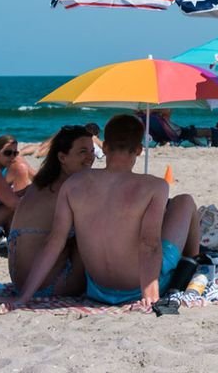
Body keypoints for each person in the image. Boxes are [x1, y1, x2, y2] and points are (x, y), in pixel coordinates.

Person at [11, 114, 201, 308]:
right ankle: (194, 264)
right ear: (138, 150)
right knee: (184, 202)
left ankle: (192, 264)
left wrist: (25, 296)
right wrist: (149, 295)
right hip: (138, 286)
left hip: (98, 289)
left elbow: (54, 242)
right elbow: (149, 244)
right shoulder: (155, 186)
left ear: (105, 147)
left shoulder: (73, 184)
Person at [8, 125, 96, 298]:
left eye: (93, 151)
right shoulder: (70, 189)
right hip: (52, 286)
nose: (90, 157)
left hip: (19, 281)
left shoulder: (40, 184)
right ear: (62, 157)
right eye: (83, 151)